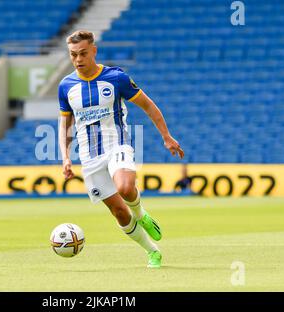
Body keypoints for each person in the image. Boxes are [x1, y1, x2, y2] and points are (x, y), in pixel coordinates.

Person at [58, 31, 184, 268]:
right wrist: (65, 157)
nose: (78, 59)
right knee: (118, 212)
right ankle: (152, 251)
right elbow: (65, 124)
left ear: (93, 51)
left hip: (118, 144)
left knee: (126, 188)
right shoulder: (66, 86)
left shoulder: (116, 78)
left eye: (83, 53)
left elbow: (148, 105)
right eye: (73, 55)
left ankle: (142, 214)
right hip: (89, 157)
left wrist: (166, 137)